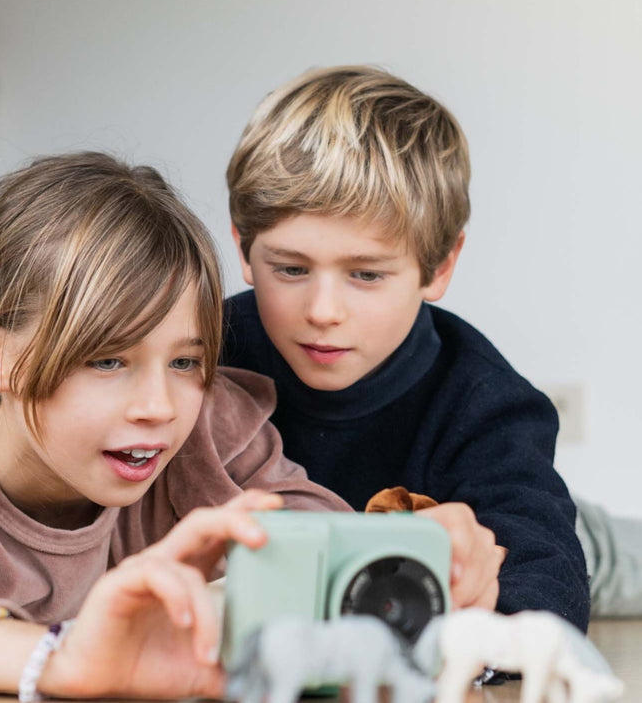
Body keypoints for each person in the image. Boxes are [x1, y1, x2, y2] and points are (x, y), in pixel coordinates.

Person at [0, 152, 351, 698]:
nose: (159, 407)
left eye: (185, 362)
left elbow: (335, 552)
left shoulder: (210, 435)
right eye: (108, 361)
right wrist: (57, 661)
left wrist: (423, 551)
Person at [221, 65, 590, 632]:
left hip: (534, 515)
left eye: (366, 275)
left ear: (438, 267)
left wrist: (483, 591)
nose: (322, 310)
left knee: (608, 558)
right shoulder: (198, 356)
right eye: (291, 268)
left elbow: (549, 589)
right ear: (244, 248)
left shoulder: (487, 401)